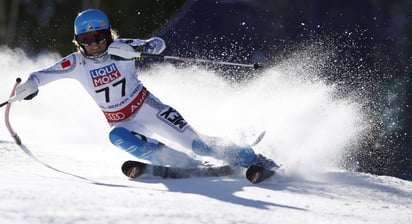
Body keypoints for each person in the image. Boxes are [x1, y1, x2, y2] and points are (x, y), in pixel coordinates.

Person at [14, 9, 279, 181]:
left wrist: (148, 47)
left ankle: (256, 159)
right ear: (78, 41)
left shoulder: (122, 48)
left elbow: (159, 44)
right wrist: (28, 86)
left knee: (202, 145)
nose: (94, 45)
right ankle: (181, 164)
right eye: (86, 40)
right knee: (116, 136)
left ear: (108, 35)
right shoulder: (75, 63)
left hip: (148, 110)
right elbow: (40, 76)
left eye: (99, 38)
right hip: (123, 121)